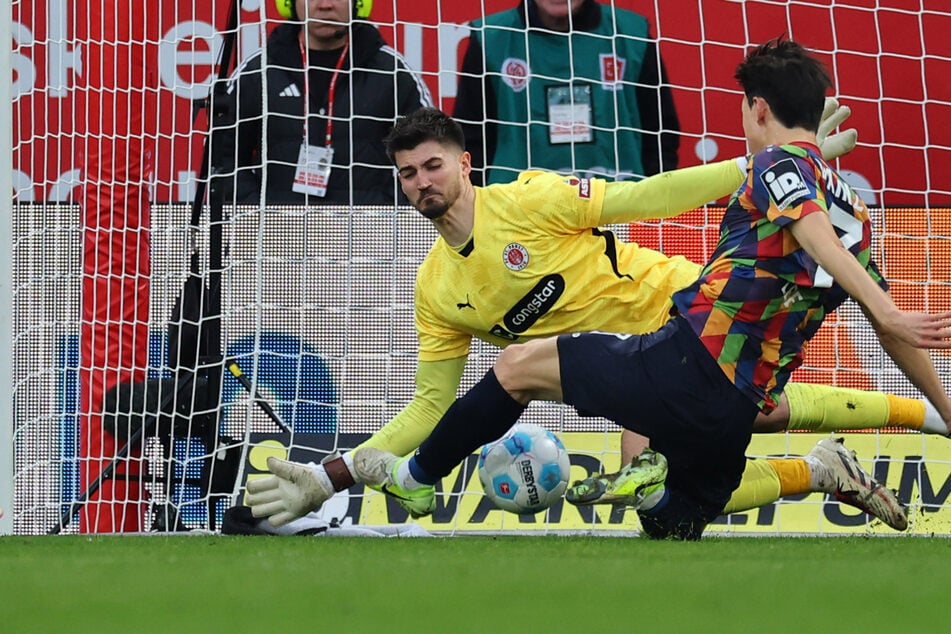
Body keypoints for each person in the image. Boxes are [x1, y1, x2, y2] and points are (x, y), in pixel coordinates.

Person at [344, 38, 951, 541]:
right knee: (670, 522)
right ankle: (810, 470)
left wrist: (884, 312)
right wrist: (936, 391)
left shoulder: (776, 167)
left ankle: (417, 477)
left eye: (744, 109)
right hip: (734, 404)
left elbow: (815, 234)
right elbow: (887, 325)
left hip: (686, 360)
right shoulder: (859, 218)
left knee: (517, 365)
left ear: (758, 109)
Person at [210, 0, 433, 205]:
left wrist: (383, 210)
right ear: (289, 3)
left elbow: (428, 155)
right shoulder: (258, 71)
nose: (325, 5)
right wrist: (261, 210)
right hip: (277, 236)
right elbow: (221, 158)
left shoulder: (393, 73)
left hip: (370, 235)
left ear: (359, 4)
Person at [453, 0, 680, 186]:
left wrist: (650, 200)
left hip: (618, 203)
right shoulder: (491, 38)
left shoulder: (631, 35)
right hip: (518, 210)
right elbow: (471, 138)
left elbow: (660, 133)